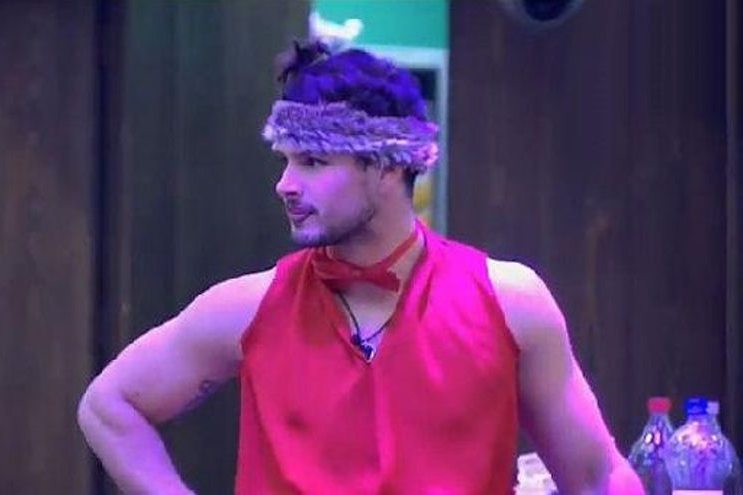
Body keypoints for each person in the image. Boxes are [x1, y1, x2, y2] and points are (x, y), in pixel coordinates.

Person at [77, 42, 644, 494]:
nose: (285, 185)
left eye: (313, 161)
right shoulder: (247, 307)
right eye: (286, 161)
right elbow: (109, 407)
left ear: (389, 167)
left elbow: (597, 477)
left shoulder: (511, 302)